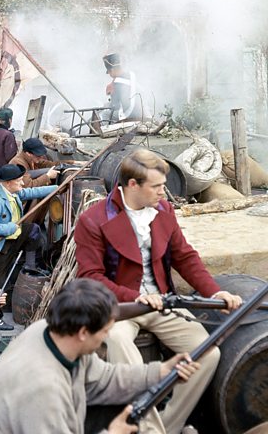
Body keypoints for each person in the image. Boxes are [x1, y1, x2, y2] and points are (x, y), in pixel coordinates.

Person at [74, 148, 242, 434]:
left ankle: (166, 426)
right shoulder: (93, 220)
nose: (164, 193)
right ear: (132, 185)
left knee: (207, 353)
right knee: (120, 347)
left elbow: (185, 257)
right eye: (157, 186)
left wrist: (214, 293)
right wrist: (134, 297)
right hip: (119, 307)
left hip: (163, 302)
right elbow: (91, 278)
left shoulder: (164, 211)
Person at [0, 278, 200, 434]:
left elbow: (106, 379)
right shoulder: (42, 387)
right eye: (104, 331)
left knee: (124, 405)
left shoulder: (53, 332)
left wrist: (160, 371)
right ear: (83, 332)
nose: (106, 336)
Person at [0, 164, 57, 295]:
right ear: (8, 183)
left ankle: (30, 265)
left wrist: (56, 188)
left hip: (14, 235)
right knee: (0, 283)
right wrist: (10, 227)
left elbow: (32, 192)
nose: (22, 183)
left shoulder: (12, 192)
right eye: (19, 181)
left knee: (33, 230)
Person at [102, 53, 143, 123]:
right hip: (141, 111)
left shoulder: (116, 83)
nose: (110, 75)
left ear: (112, 70)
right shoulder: (131, 75)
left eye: (109, 72)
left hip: (129, 113)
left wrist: (106, 105)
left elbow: (115, 106)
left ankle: (108, 132)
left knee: (105, 114)